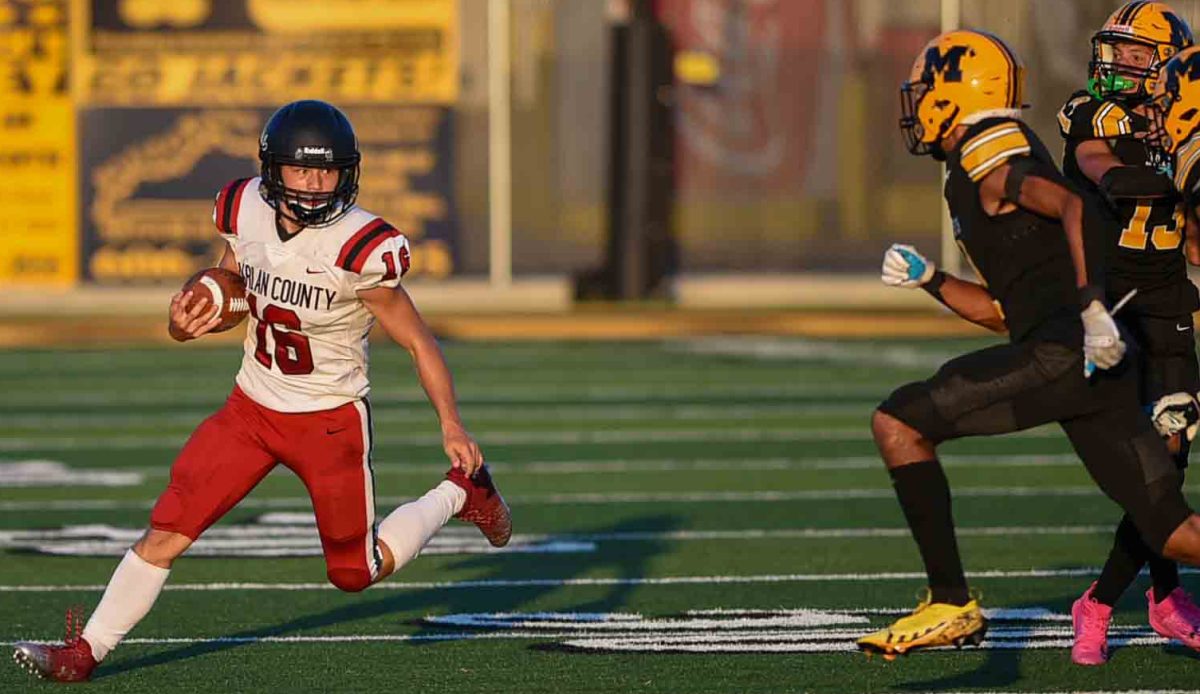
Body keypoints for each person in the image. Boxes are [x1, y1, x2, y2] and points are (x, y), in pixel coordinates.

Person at [11, 100, 512, 683]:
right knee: (167, 530)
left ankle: (461, 492)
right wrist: (189, 318)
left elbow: (422, 343)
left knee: (355, 572)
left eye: (328, 171)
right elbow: (233, 289)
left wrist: (451, 424)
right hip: (249, 409)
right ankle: (85, 652)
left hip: (329, 421)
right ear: (273, 170)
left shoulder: (358, 248)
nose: (316, 184)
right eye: (302, 171)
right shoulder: (242, 207)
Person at [856, 29, 1200, 660]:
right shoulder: (975, 176)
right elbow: (1001, 313)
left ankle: (950, 600)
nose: (916, 107)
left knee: (898, 422)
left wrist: (1093, 306)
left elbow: (1076, 206)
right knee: (1176, 534)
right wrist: (931, 280)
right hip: (1089, 363)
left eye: (926, 92)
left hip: (1070, 352)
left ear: (954, 94)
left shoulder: (988, 149)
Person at [1056, 1, 1200, 666]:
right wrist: (1156, 177)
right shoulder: (1100, 112)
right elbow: (1093, 162)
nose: (1117, 63)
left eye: (1136, 54)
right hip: (1112, 302)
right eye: (1115, 50)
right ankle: (1121, 601)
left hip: (1168, 299)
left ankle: (1148, 600)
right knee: (1150, 477)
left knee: (1170, 461)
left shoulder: (1185, 122)